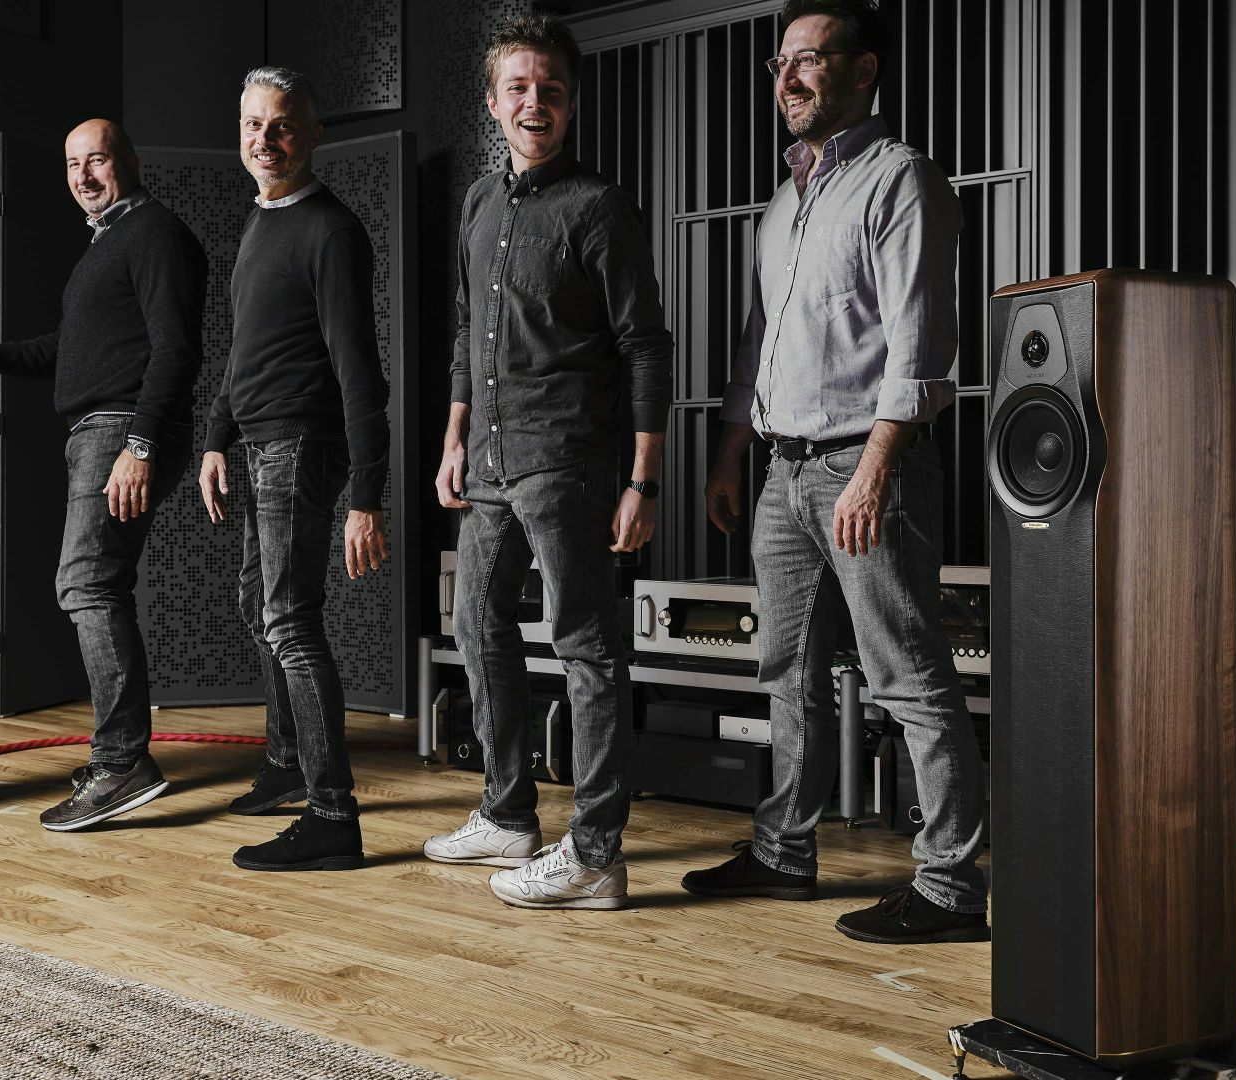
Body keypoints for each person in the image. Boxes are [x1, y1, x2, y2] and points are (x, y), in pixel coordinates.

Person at [680, 0, 989, 944]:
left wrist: (875, 473)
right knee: (787, 672)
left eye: (811, 61)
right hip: (782, 469)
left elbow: (920, 346)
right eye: (781, 64)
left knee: (907, 676)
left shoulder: (904, 181)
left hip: (866, 461)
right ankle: (783, 853)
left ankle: (948, 886)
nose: (789, 79)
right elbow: (758, 341)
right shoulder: (786, 204)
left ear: (865, 70)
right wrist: (734, 453)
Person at [423, 13, 673, 911]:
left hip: (567, 459)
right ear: (493, 102)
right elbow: (466, 334)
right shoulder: (480, 205)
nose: (537, 102)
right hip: (487, 458)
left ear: (570, 103)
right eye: (520, 87)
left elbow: (646, 347)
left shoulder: (599, 208)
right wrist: (452, 438)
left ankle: (599, 853)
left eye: (552, 89)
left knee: (586, 647)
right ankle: (507, 810)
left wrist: (643, 480)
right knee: (476, 628)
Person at [0, 118, 207, 832]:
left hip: (122, 429)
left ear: (130, 163)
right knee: (93, 582)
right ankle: (119, 756)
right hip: (101, 429)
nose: (84, 175)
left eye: (98, 160)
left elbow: (177, 350)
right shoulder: (108, 242)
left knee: (87, 582)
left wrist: (139, 445)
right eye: (73, 164)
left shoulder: (153, 233)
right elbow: (70, 351)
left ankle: (121, 764)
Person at [201, 68, 391, 873]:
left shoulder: (329, 230)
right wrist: (214, 435)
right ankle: (285, 763)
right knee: (261, 602)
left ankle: (331, 814)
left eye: (281, 126)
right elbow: (246, 351)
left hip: (301, 446)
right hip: (254, 443)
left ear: (312, 136)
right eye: (252, 124)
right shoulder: (258, 222)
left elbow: (361, 372)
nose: (264, 139)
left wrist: (367, 499)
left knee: (290, 619)